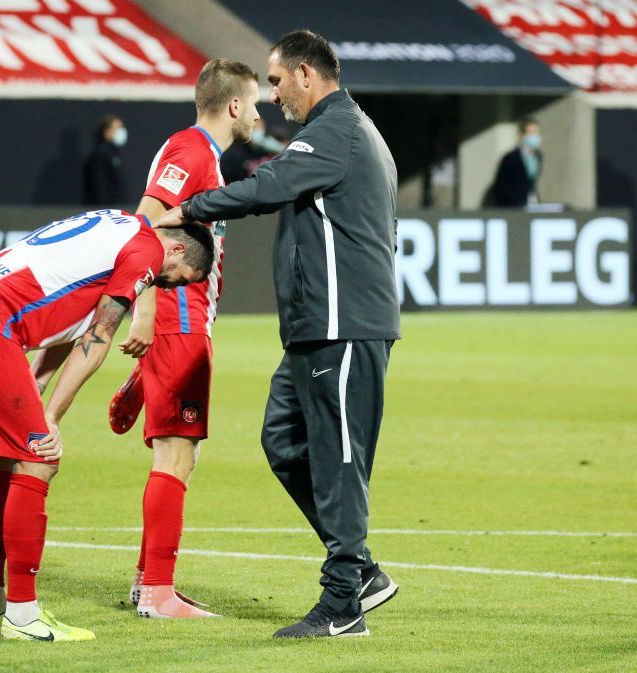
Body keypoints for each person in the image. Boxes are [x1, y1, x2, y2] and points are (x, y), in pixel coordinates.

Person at [155, 29, 400, 639]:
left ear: (306, 74)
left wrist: (191, 208)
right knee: (284, 439)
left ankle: (342, 602)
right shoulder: (345, 132)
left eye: (276, 80)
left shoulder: (336, 129)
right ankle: (362, 571)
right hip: (320, 325)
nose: (273, 94)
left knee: (338, 459)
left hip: (343, 323)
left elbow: (269, 187)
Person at [0, 209, 214, 642]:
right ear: (174, 248)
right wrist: (51, 417)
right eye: (174, 278)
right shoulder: (147, 253)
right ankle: (24, 615)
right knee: (39, 459)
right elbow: (98, 336)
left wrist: (37, 386)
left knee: (4, 459)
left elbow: (68, 322)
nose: (163, 285)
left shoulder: (115, 224)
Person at [108, 58, 262, 619]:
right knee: (177, 454)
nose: (258, 114)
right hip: (178, 317)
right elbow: (143, 224)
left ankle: (147, 583)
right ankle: (158, 592)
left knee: (180, 454)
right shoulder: (192, 152)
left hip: (185, 320)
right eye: (255, 103)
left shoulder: (199, 153)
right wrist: (144, 308)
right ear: (235, 105)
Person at [492, 117, 543, 207]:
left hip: (532, 203)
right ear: (522, 135)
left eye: (536, 132)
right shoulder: (510, 158)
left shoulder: (538, 156)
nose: (534, 136)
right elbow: (501, 186)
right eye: (531, 133)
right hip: (513, 205)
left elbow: (532, 182)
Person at [83, 115, 129, 207]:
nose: (122, 131)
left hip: (116, 208)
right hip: (104, 209)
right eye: (118, 128)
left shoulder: (113, 153)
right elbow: (99, 186)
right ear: (107, 132)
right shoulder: (100, 154)